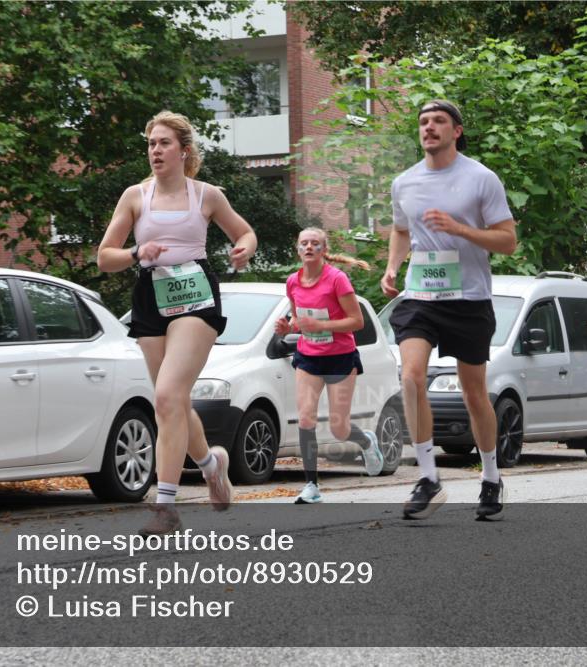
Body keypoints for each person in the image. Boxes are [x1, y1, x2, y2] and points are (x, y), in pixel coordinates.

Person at [97, 111, 257, 535]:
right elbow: (104, 257)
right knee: (175, 403)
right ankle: (211, 464)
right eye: (151, 144)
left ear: (183, 150)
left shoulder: (207, 195)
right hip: (151, 293)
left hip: (195, 294)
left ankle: (164, 505)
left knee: (167, 394)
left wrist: (243, 248)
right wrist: (136, 253)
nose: (155, 151)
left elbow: (244, 232)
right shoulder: (135, 196)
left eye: (164, 143)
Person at [381, 100, 518, 521]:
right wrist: (392, 266)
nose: (429, 127)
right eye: (423, 122)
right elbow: (401, 230)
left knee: (474, 393)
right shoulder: (404, 182)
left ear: (456, 130)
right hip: (421, 296)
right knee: (411, 376)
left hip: (469, 299)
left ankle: (491, 478)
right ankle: (428, 477)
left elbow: (508, 241)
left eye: (439, 121)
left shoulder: (481, 178)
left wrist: (459, 229)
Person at [274, 227, 385, 504]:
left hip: (340, 356)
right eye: (304, 243)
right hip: (309, 356)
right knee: (305, 418)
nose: (309, 247)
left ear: (324, 249)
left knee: (339, 428)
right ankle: (311, 485)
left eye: (315, 243)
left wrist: (321, 325)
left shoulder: (337, 280)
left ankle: (366, 442)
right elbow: (300, 321)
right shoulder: (293, 282)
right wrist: (288, 327)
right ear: (298, 249)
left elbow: (356, 322)